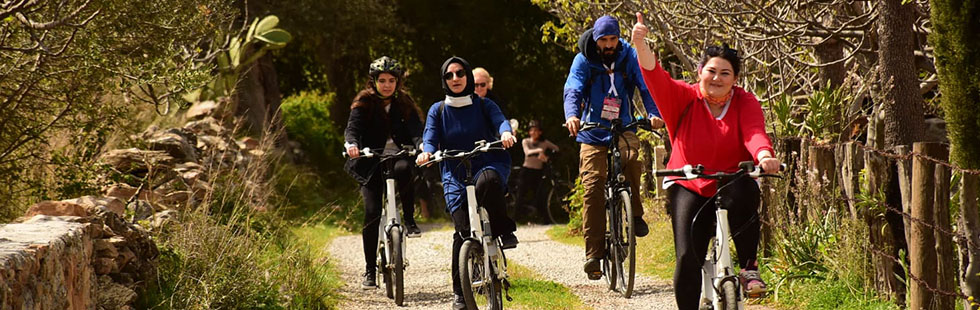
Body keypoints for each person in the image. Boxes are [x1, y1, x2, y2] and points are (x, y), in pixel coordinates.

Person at [631, 12, 782, 309]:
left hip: (731, 180)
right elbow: (655, 76)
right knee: (688, 257)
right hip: (689, 181)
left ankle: (749, 267)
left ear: (735, 79)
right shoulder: (684, 98)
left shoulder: (745, 101)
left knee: (747, 189)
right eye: (711, 71)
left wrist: (764, 156)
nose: (717, 78)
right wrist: (640, 45)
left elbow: (754, 133)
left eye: (725, 73)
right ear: (700, 72)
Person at [562, 14, 664, 280]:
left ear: (618, 38)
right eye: (604, 40)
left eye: (613, 39)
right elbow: (572, 88)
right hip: (592, 131)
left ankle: (636, 215)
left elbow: (645, 85)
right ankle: (594, 254)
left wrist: (653, 114)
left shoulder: (628, 55)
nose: (609, 44)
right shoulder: (584, 58)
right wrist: (572, 115)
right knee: (593, 186)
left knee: (631, 160)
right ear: (596, 39)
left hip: (624, 125)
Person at [415, 56, 519, 310]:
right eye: (449, 75)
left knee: (490, 182)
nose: (455, 79)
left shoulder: (483, 104)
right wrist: (426, 152)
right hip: (453, 170)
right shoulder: (437, 110)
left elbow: (501, 121)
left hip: (487, 162)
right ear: (444, 80)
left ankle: (502, 229)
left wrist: (505, 132)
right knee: (461, 234)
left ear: (468, 76)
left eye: (460, 73)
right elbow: (430, 137)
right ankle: (460, 295)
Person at [343, 56, 424, 290]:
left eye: (391, 80)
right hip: (371, 162)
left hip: (399, 157)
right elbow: (353, 129)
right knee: (371, 212)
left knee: (405, 170)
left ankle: (408, 219)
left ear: (398, 82)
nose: (387, 85)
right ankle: (370, 270)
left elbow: (417, 130)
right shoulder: (364, 102)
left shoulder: (404, 102)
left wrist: (421, 146)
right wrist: (351, 145)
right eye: (382, 80)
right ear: (374, 82)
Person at [515, 120, 559, 219]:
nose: (533, 133)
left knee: (540, 194)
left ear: (540, 132)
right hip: (526, 170)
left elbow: (556, 148)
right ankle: (516, 217)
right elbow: (527, 152)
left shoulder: (544, 142)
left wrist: (547, 157)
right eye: (531, 130)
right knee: (521, 194)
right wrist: (539, 151)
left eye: (536, 130)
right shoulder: (525, 141)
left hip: (538, 172)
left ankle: (544, 219)